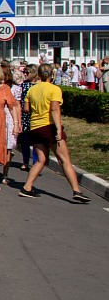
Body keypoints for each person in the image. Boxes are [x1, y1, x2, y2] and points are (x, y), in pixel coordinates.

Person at [20, 64, 91, 203]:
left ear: (39, 75)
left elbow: (26, 108)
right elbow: (54, 109)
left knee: (41, 160)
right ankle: (76, 190)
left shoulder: (32, 90)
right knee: (64, 160)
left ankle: (27, 187)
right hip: (49, 126)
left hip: (35, 127)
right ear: (52, 75)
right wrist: (58, 129)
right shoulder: (54, 89)